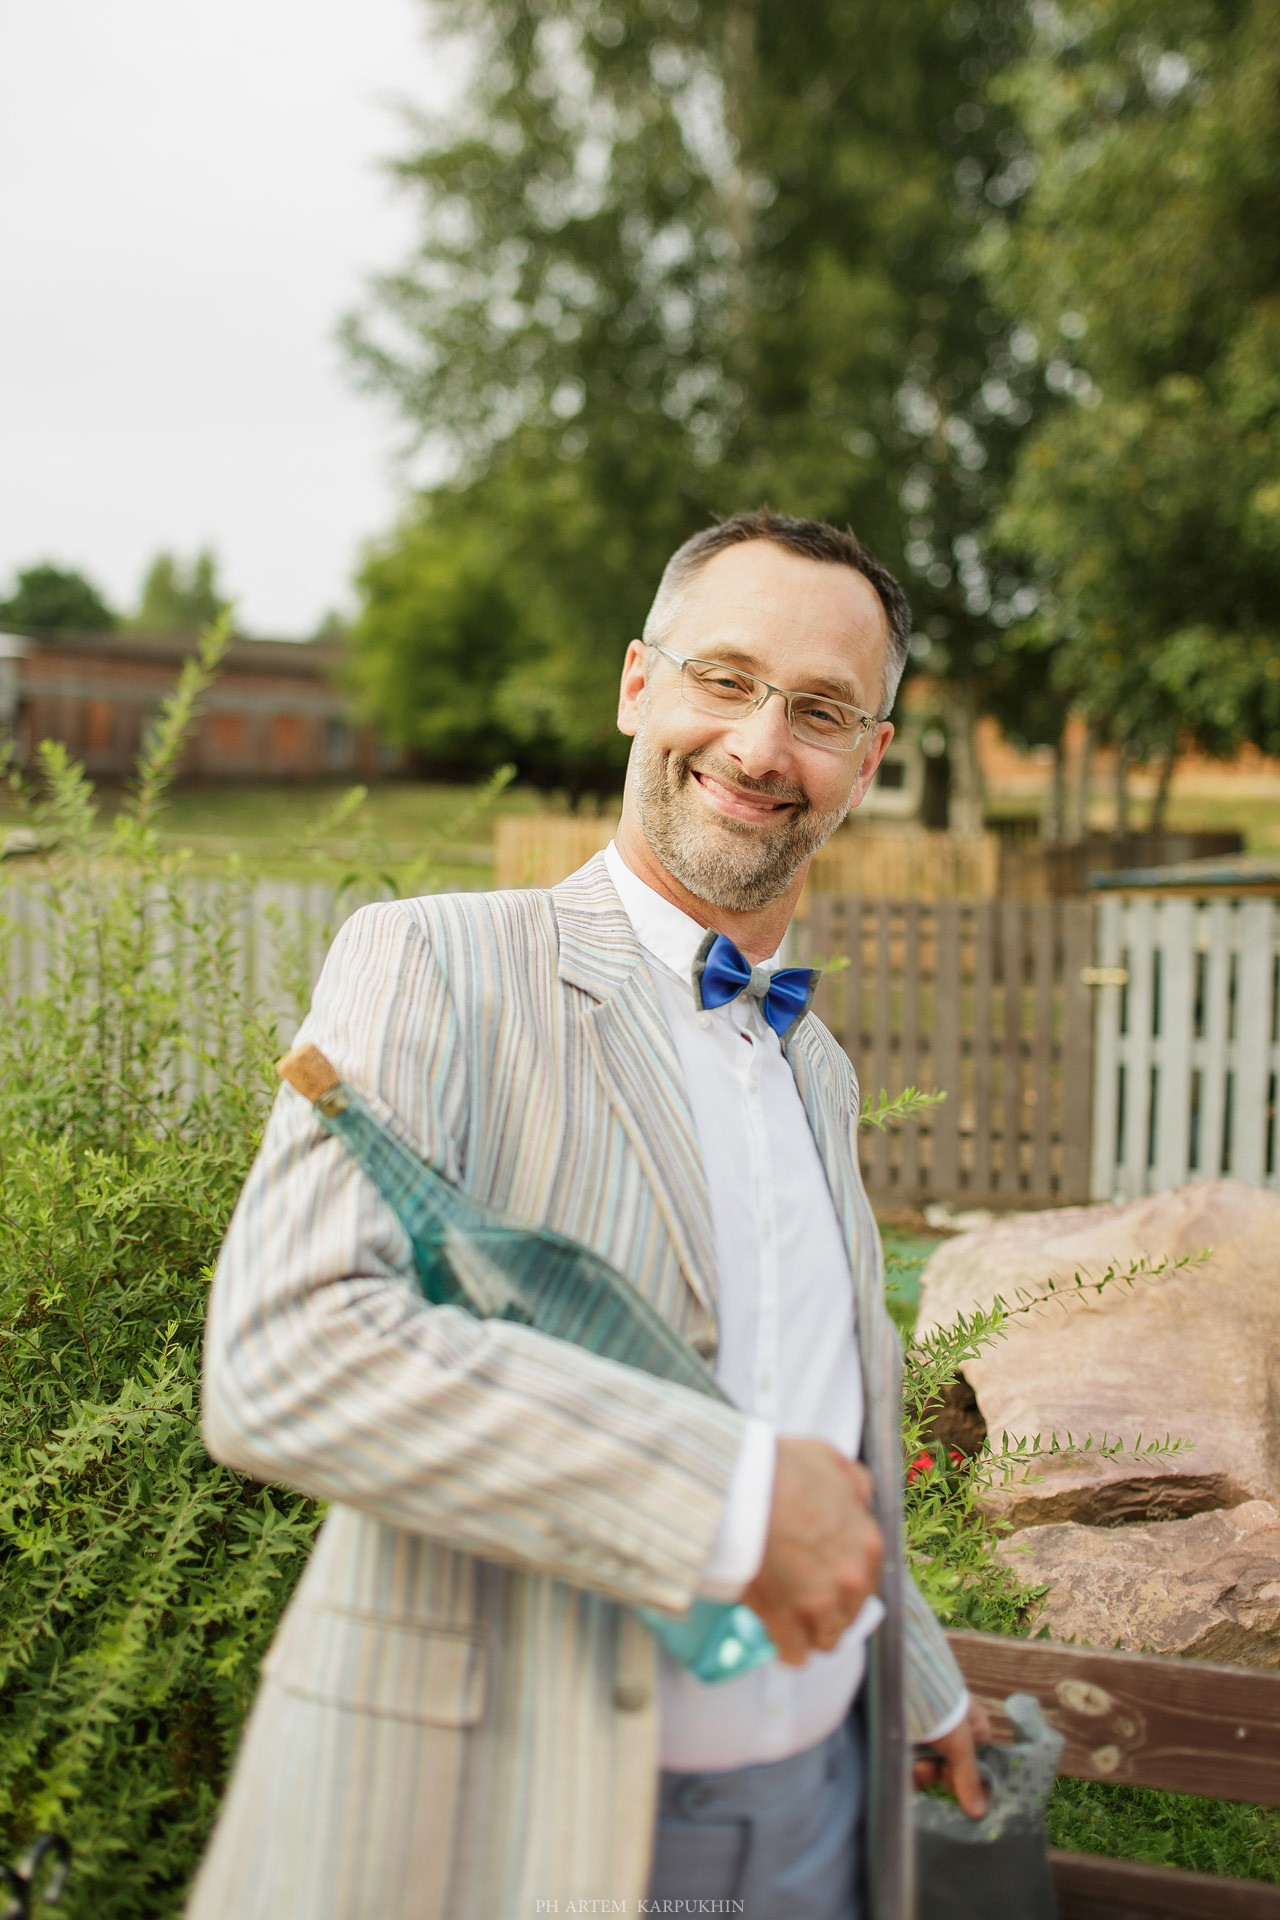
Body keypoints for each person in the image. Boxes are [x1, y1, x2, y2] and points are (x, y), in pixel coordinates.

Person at [188, 509, 987, 1920]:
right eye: (723, 679)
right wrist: (729, 1505)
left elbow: (815, 1414)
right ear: (639, 686)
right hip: (525, 1824)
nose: (758, 744)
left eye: (819, 711)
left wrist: (920, 1686)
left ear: (868, 761)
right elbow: (285, 1353)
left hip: (827, 1818)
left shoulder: (820, 1068)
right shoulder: (436, 962)